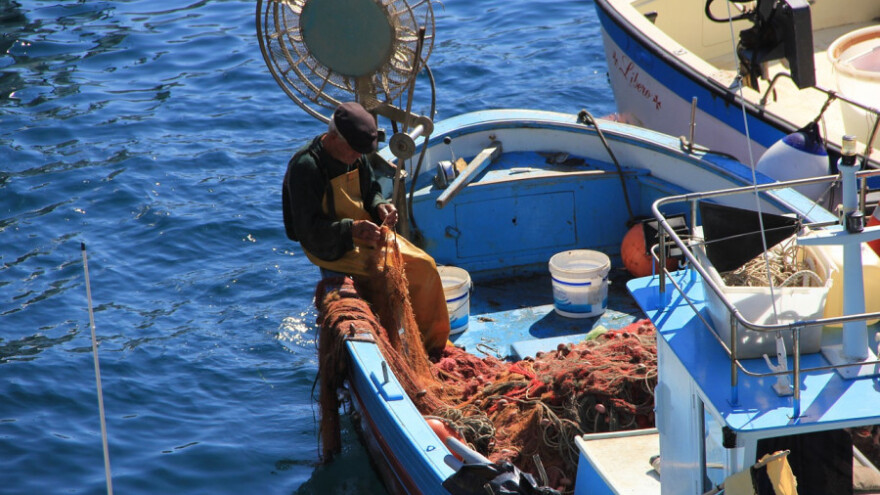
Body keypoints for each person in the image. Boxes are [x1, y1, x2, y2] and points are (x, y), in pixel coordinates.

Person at [282, 101, 450, 355]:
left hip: (366, 232)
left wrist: (380, 205)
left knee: (425, 266)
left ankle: (430, 347)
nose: (358, 157)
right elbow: (307, 232)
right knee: (386, 273)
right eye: (354, 150)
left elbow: (371, 190)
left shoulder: (355, 155)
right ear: (334, 137)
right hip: (329, 245)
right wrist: (351, 230)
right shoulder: (306, 167)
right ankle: (394, 343)